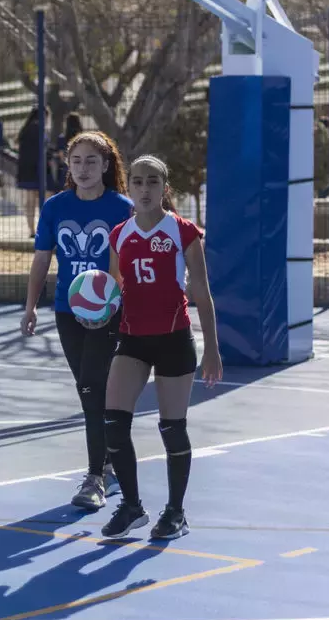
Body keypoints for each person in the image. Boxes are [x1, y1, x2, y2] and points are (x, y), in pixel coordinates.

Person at [100, 154, 223, 540]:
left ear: (164, 188)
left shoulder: (183, 232)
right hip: (132, 339)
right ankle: (132, 506)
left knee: (172, 428)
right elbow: (113, 288)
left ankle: (175, 513)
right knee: (113, 425)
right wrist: (96, 310)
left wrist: (213, 350)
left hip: (173, 339)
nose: (145, 189)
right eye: (137, 182)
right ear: (129, 188)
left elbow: (201, 292)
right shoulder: (119, 234)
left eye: (153, 182)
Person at [21, 131, 132, 510]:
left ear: (106, 165)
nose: (83, 169)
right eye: (77, 161)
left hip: (109, 314)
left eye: (92, 161)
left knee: (91, 388)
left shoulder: (123, 208)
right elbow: (41, 259)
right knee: (90, 390)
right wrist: (30, 305)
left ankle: (95, 477)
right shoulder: (54, 208)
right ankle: (110, 461)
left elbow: (126, 266)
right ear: (67, 165)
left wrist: (111, 306)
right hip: (68, 314)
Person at [16, 107, 53, 237]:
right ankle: (43, 228)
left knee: (30, 200)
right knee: (47, 197)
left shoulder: (25, 130)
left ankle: (31, 229)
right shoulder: (40, 129)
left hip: (25, 168)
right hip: (38, 167)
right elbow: (44, 148)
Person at [55, 112, 84, 190]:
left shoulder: (62, 138)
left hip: (66, 170)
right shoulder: (82, 138)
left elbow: (61, 156)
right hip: (81, 170)